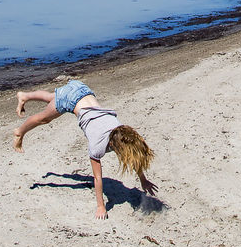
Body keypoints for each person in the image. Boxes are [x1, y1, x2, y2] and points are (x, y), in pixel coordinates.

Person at [12, 80, 157, 219]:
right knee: (44, 119)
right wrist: (101, 206)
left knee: (52, 97)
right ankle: (19, 132)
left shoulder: (121, 131)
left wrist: (143, 180)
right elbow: (97, 178)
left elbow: (133, 155)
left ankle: (25, 96)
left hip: (83, 90)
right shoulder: (98, 145)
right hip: (72, 100)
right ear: (114, 146)